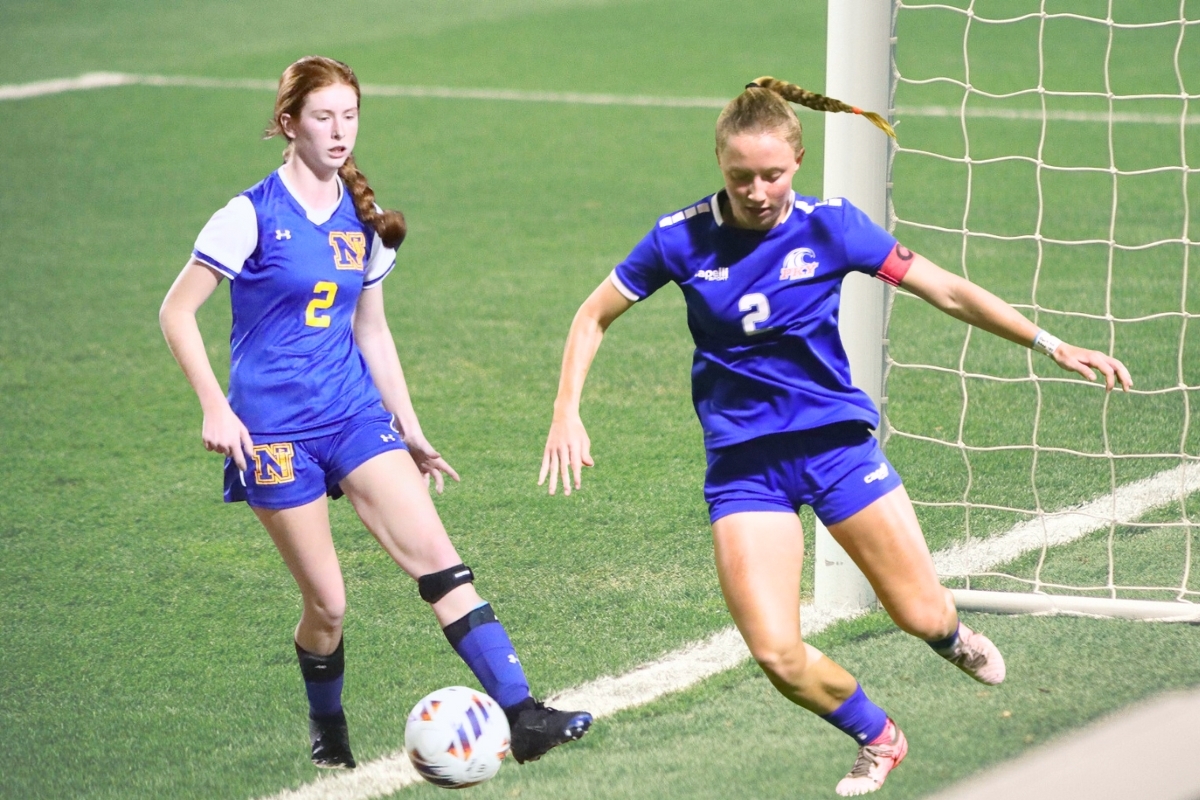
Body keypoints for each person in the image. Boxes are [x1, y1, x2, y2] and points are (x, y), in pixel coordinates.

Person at [539, 77, 1131, 796]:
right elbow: (592, 315)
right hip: (744, 468)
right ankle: (878, 737)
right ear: (719, 167)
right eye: (738, 176)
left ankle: (951, 637)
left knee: (920, 614)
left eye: (771, 174)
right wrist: (567, 407)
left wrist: (1051, 343)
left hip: (837, 451)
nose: (756, 191)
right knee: (777, 652)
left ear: (798, 161)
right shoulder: (679, 237)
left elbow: (944, 288)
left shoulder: (832, 227)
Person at [160, 55, 591, 771]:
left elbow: (372, 331)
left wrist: (411, 427)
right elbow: (177, 312)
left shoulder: (362, 216)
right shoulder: (249, 215)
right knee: (328, 605)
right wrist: (215, 407)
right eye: (322, 117)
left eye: (350, 116)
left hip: (354, 413)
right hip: (272, 432)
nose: (338, 131)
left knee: (443, 566)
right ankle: (328, 727)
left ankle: (525, 714)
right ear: (287, 123)